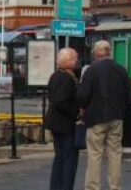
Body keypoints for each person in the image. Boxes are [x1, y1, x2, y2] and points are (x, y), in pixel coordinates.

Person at [77, 40, 131, 190]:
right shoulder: (121, 69)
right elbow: (129, 96)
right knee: (115, 153)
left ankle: (93, 187)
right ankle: (115, 186)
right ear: (109, 52)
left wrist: (83, 107)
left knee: (95, 154)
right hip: (116, 117)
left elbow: (83, 96)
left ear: (96, 53)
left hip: (96, 118)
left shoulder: (91, 70)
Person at [47, 48, 80, 190]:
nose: (76, 61)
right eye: (75, 59)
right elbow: (61, 101)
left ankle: (55, 186)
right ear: (69, 61)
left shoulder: (55, 75)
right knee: (69, 159)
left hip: (55, 123)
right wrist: (76, 113)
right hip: (65, 124)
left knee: (59, 157)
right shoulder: (67, 78)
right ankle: (65, 186)